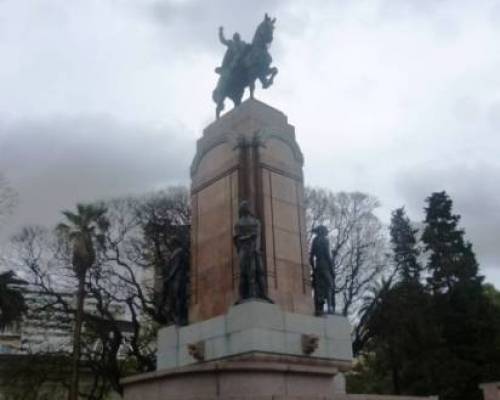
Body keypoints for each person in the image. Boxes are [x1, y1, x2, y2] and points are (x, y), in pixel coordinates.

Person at [233, 201, 268, 301]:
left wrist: (256, 249)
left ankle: (263, 293)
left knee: (260, 272)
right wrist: (248, 238)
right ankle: (243, 295)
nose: (248, 208)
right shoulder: (238, 224)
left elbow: (258, 237)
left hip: (255, 251)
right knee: (245, 273)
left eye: (248, 206)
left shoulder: (256, 222)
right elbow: (237, 239)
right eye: (246, 206)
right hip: (244, 250)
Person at [310, 225, 335, 315]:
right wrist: (332, 269)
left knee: (319, 287)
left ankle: (319, 307)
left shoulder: (315, 241)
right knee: (330, 285)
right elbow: (327, 255)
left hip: (318, 266)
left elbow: (311, 257)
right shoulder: (325, 240)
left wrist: (313, 268)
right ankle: (329, 307)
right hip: (325, 265)